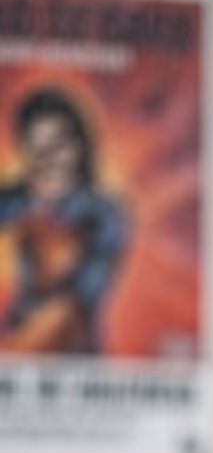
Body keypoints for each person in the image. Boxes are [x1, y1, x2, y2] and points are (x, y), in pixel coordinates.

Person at [0, 87, 128, 354]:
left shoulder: (104, 213)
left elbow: (84, 294)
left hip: (72, 349)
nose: (47, 159)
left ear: (80, 145)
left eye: (57, 145)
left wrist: (43, 210)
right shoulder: (13, 198)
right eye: (35, 148)